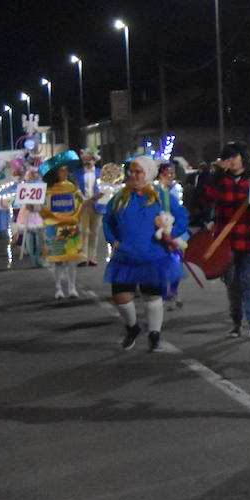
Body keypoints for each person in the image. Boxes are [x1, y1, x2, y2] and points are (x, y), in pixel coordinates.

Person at [103, 156, 187, 352]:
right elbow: (108, 220)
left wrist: (170, 234)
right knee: (120, 297)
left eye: (138, 171)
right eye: (131, 171)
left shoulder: (162, 196)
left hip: (154, 256)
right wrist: (112, 238)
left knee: (152, 296)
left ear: (148, 174)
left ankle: (155, 335)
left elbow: (181, 217)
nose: (133, 175)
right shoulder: (120, 197)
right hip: (125, 257)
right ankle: (133, 327)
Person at [202, 142, 250, 339]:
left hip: (249, 239)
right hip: (226, 241)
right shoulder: (221, 182)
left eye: (233, 156)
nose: (230, 161)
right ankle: (236, 323)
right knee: (232, 283)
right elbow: (206, 200)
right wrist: (215, 176)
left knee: (249, 282)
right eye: (226, 158)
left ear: (242, 157)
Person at [41, 162, 84, 299]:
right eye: (61, 170)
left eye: (66, 170)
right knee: (57, 261)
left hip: (70, 228)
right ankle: (58, 288)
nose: (65, 173)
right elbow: (42, 208)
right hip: (54, 229)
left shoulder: (73, 188)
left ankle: (72, 288)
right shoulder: (47, 190)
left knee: (72, 260)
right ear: (55, 173)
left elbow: (80, 205)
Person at [154, 161, 188, 306]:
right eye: (169, 173)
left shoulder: (174, 190)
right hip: (159, 234)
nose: (172, 176)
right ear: (161, 173)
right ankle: (162, 294)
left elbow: (181, 214)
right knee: (162, 266)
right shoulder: (155, 191)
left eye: (173, 173)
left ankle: (172, 291)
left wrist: (175, 232)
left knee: (176, 262)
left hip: (175, 232)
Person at [74, 151, 103, 266]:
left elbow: (105, 188)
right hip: (83, 205)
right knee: (83, 231)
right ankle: (82, 257)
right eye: (85, 159)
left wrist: (99, 196)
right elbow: (75, 188)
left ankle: (92, 257)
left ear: (95, 160)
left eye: (90, 159)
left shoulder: (101, 173)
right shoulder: (76, 173)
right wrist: (81, 198)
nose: (87, 162)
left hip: (97, 205)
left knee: (94, 232)